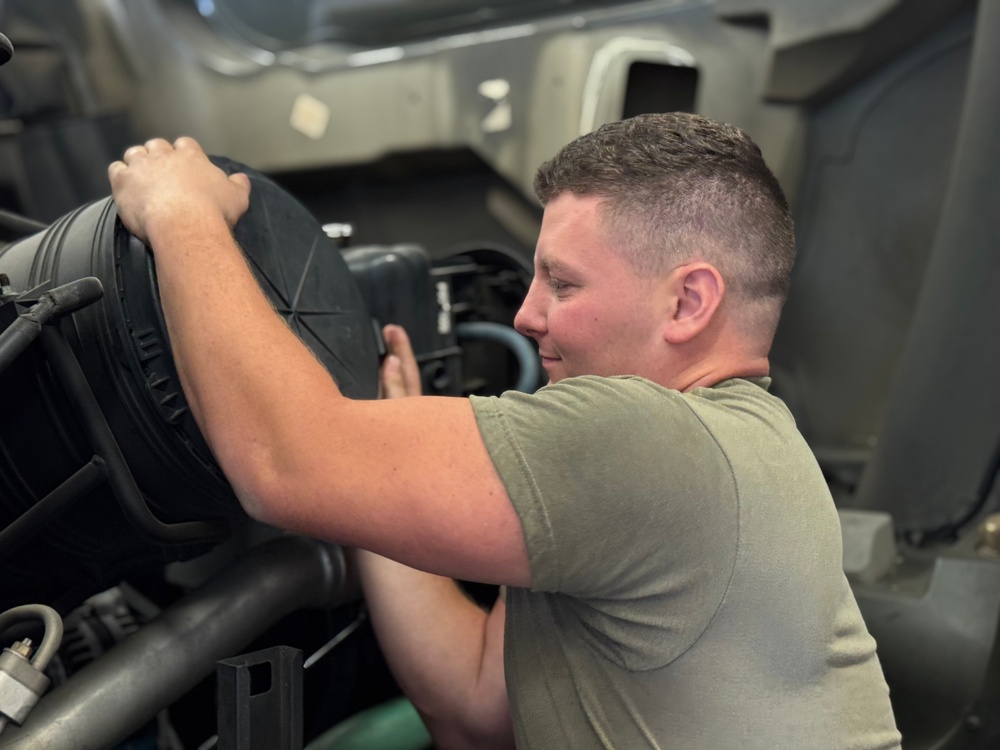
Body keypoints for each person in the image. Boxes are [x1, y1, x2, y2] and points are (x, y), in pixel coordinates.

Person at [108, 112, 901, 749]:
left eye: (563, 282)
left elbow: (281, 462)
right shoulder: (743, 450)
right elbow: (480, 705)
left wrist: (181, 213)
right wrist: (376, 460)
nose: (526, 315)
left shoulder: (654, 442)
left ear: (689, 303)